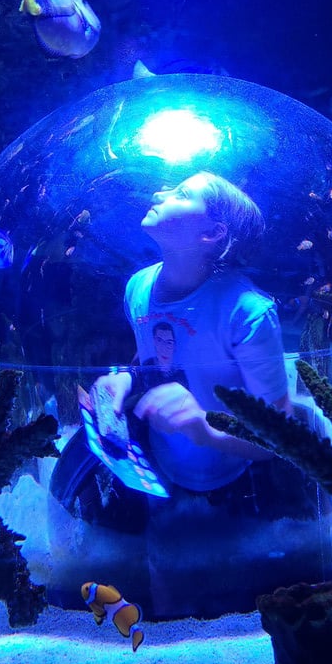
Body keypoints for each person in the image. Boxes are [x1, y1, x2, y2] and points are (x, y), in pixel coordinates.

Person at [92, 171, 291, 493]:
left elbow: (281, 437)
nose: (159, 192)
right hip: (160, 468)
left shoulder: (247, 313)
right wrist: (127, 380)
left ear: (212, 233)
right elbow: (157, 362)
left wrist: (206, 429)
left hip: (239, 482)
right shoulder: (138, 287)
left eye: (181, 194)